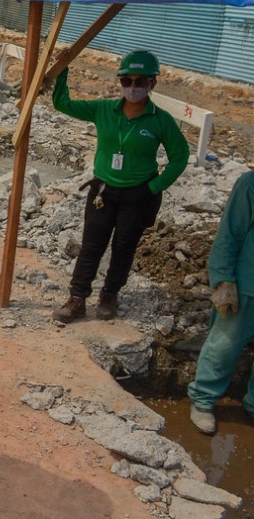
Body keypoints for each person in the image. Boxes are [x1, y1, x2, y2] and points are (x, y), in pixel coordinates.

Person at [51, 50, 189, 323]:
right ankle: (77, 299)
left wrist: (155, 186)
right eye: (127, 81)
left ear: (152, 83)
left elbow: (180, 156)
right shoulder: (103, 109)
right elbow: (62, 104)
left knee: (124, 247)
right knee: (91, 246)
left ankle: (109, 295)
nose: (133, 87)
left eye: (140, 81)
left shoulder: (160, 120)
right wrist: (62, 70)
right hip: (103, 192)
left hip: (139, 195)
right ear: (120, 81)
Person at [187, 171, 254, 435]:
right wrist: (224, 280)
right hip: (247, 285)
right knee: (224, 346)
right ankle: (203, 401)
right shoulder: (250, 184)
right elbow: (230, 234)